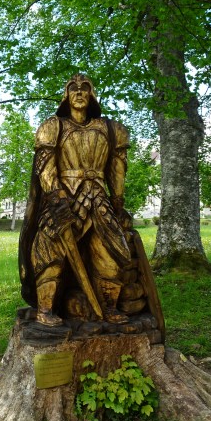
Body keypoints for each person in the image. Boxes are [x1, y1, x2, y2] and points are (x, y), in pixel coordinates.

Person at [19, 74, 131, 327]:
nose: (79, 92)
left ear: (92, 95)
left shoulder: (111, 129)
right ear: (66, 95)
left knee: (110, 252)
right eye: (73, 88)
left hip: (99, 199)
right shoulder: (53, 126)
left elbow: (117, 169)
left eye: (85, 88)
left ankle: (109, 307)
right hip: (63, 199)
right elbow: (45, 166)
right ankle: (45, 309)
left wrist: (118, 200)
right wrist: (55, 196)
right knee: (49, 250)